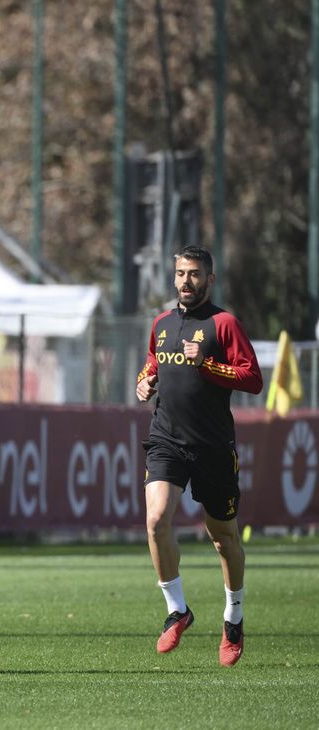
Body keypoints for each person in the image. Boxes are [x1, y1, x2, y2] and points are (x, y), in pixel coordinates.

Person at [135, 246, 263, 667]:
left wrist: (208, 364)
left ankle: (233, 618)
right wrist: (144, 382)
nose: (185, 281)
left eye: (193, 274)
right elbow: (154, 362)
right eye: (179, 274)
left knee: (223, 539)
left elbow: (252, 379)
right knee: (156, 520)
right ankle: (177, 610)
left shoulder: (224, 324)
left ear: (210, 279)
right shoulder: (163, 323)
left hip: (211, 446)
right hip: (166, 438)